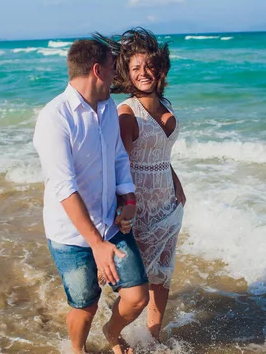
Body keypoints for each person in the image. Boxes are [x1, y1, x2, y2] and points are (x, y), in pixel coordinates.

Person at [33, 38, 149, 354]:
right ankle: (77, 350)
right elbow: (64, 187)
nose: (117, 78)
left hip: (111, 223)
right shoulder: (54, 118)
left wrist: (128, 198)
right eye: (113, 70)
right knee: (85, 306)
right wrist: (96, 245)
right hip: (71, 236)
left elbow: (117, 157)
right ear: (97, 70)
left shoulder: (108, 108)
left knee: (138, 297)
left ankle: (112, 333)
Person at [105, 28, 186, 342]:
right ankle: (113, 333)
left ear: (160, 68)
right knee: (134, 285)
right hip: (139, 210)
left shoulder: (165, 103)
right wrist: (123, 208)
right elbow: (119, 164)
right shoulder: (128, 114)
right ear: (127, 73)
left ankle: (154, 335)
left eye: (148, 67)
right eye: (135, 68)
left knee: (163, 277)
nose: (143, 74)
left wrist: (176, 182)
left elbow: (162, 154)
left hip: (169, 204)